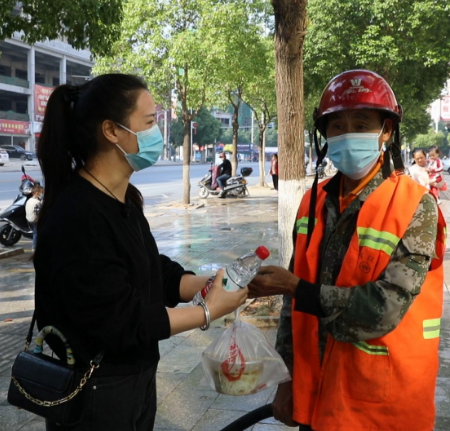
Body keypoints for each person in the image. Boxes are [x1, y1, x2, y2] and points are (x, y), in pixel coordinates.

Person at [34, 74, 248, 431]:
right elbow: (124, 320)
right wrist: (208, 311)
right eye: (149, 122)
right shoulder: (77, 215)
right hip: (96, 393)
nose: (157, 133)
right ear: (111, 131)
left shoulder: (124, 199)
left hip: (133, 380)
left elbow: (151, 270)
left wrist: (210, 284)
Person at [248, 70, 445, 431]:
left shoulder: (415, 205)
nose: (348, 132)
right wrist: (286, 379)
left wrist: (295, 288)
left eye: (361, 122)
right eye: (337, 125)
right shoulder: (312, 201)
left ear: (386, 130)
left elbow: (383, 308)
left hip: (380, 402)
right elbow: (293, 310)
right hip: (317, 394)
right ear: (324, 136)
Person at [25, 184, 44, 251]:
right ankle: (34, 247)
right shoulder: (37, 202)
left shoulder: (29, 200)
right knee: (36, 233)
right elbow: (39, 213)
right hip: (34, 220)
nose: (42, 194)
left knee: (35, 232)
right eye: (42, 193)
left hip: (29, 219)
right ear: (37, 193)